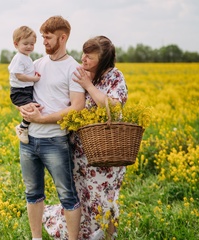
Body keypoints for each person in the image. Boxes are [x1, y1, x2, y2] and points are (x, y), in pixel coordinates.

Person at [43, 36, 128, 240]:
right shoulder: (81, 73)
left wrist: (89, 86)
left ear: (103, 58)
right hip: (80, 152)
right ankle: (86, 235)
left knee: (106, 198)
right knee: (82, 196)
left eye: (90, 56)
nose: (84, 59)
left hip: (106, 152)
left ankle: (109, 236)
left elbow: (114, 109)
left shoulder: (114, 76)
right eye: (83, 54)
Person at [18, 16, 85, 240]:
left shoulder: (73, 69)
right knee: (32, 194)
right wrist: (23, 109)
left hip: (55, 141)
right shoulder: (36, 64)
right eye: (43, 37)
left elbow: (76, 108)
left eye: (48, 38)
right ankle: (36, 238)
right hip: (28, 142)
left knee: (67, 195)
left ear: (63, 37)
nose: (43, 42)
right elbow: (22, 93)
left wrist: (40, 119)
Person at [8, 26, 40, 144]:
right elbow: (19, 75)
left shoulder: (26, 58)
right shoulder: (19, 58)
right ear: (16, 44)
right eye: (25, 44)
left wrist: (33, 74)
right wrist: (34, 78)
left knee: (34, 107)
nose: (29, 47)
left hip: (26, 89)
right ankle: (22, 127)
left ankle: (24, 126)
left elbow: (26, 72)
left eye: (32, 44)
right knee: (33, 108)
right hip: (19, 91)